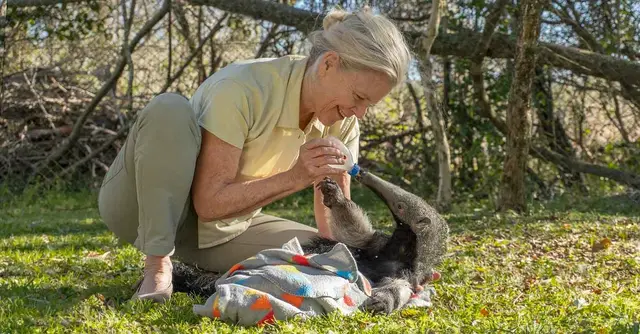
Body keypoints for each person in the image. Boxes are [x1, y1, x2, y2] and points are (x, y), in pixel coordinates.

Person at [97, 6, 412, 303]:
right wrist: (295, 177)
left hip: (224, 231)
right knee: (169, 108)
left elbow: (334, 227)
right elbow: (208, 204)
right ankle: (158, 266)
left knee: (331, 257)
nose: (360, 112)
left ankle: (196, 276)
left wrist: (383, 269)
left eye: (369, 104)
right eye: (358, 97)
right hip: (140, 212)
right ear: (328, 64)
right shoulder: (242, 89)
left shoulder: (343, 121)